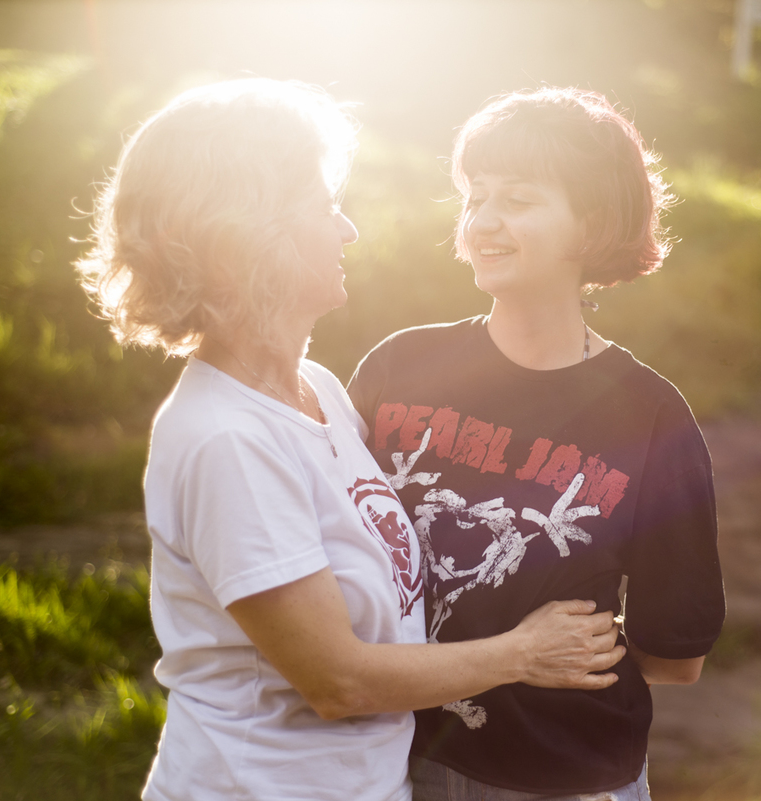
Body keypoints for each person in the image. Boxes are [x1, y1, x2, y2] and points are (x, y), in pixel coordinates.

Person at [74, 78, 624, 801]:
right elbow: (338, 680)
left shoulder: (322, 391)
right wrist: (523, 653)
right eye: (325, 207)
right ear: (248, 236)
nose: (348, 231)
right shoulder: (226, 440)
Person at [348, 87, 727, 800]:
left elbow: (675, 656)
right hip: (388, 761)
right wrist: (514, 653)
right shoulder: (396, 368)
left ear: (591, 223)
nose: (484, 221)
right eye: (475, 197)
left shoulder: (650, 417)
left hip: (566, 776)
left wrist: (561, 654)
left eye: (517, 200)